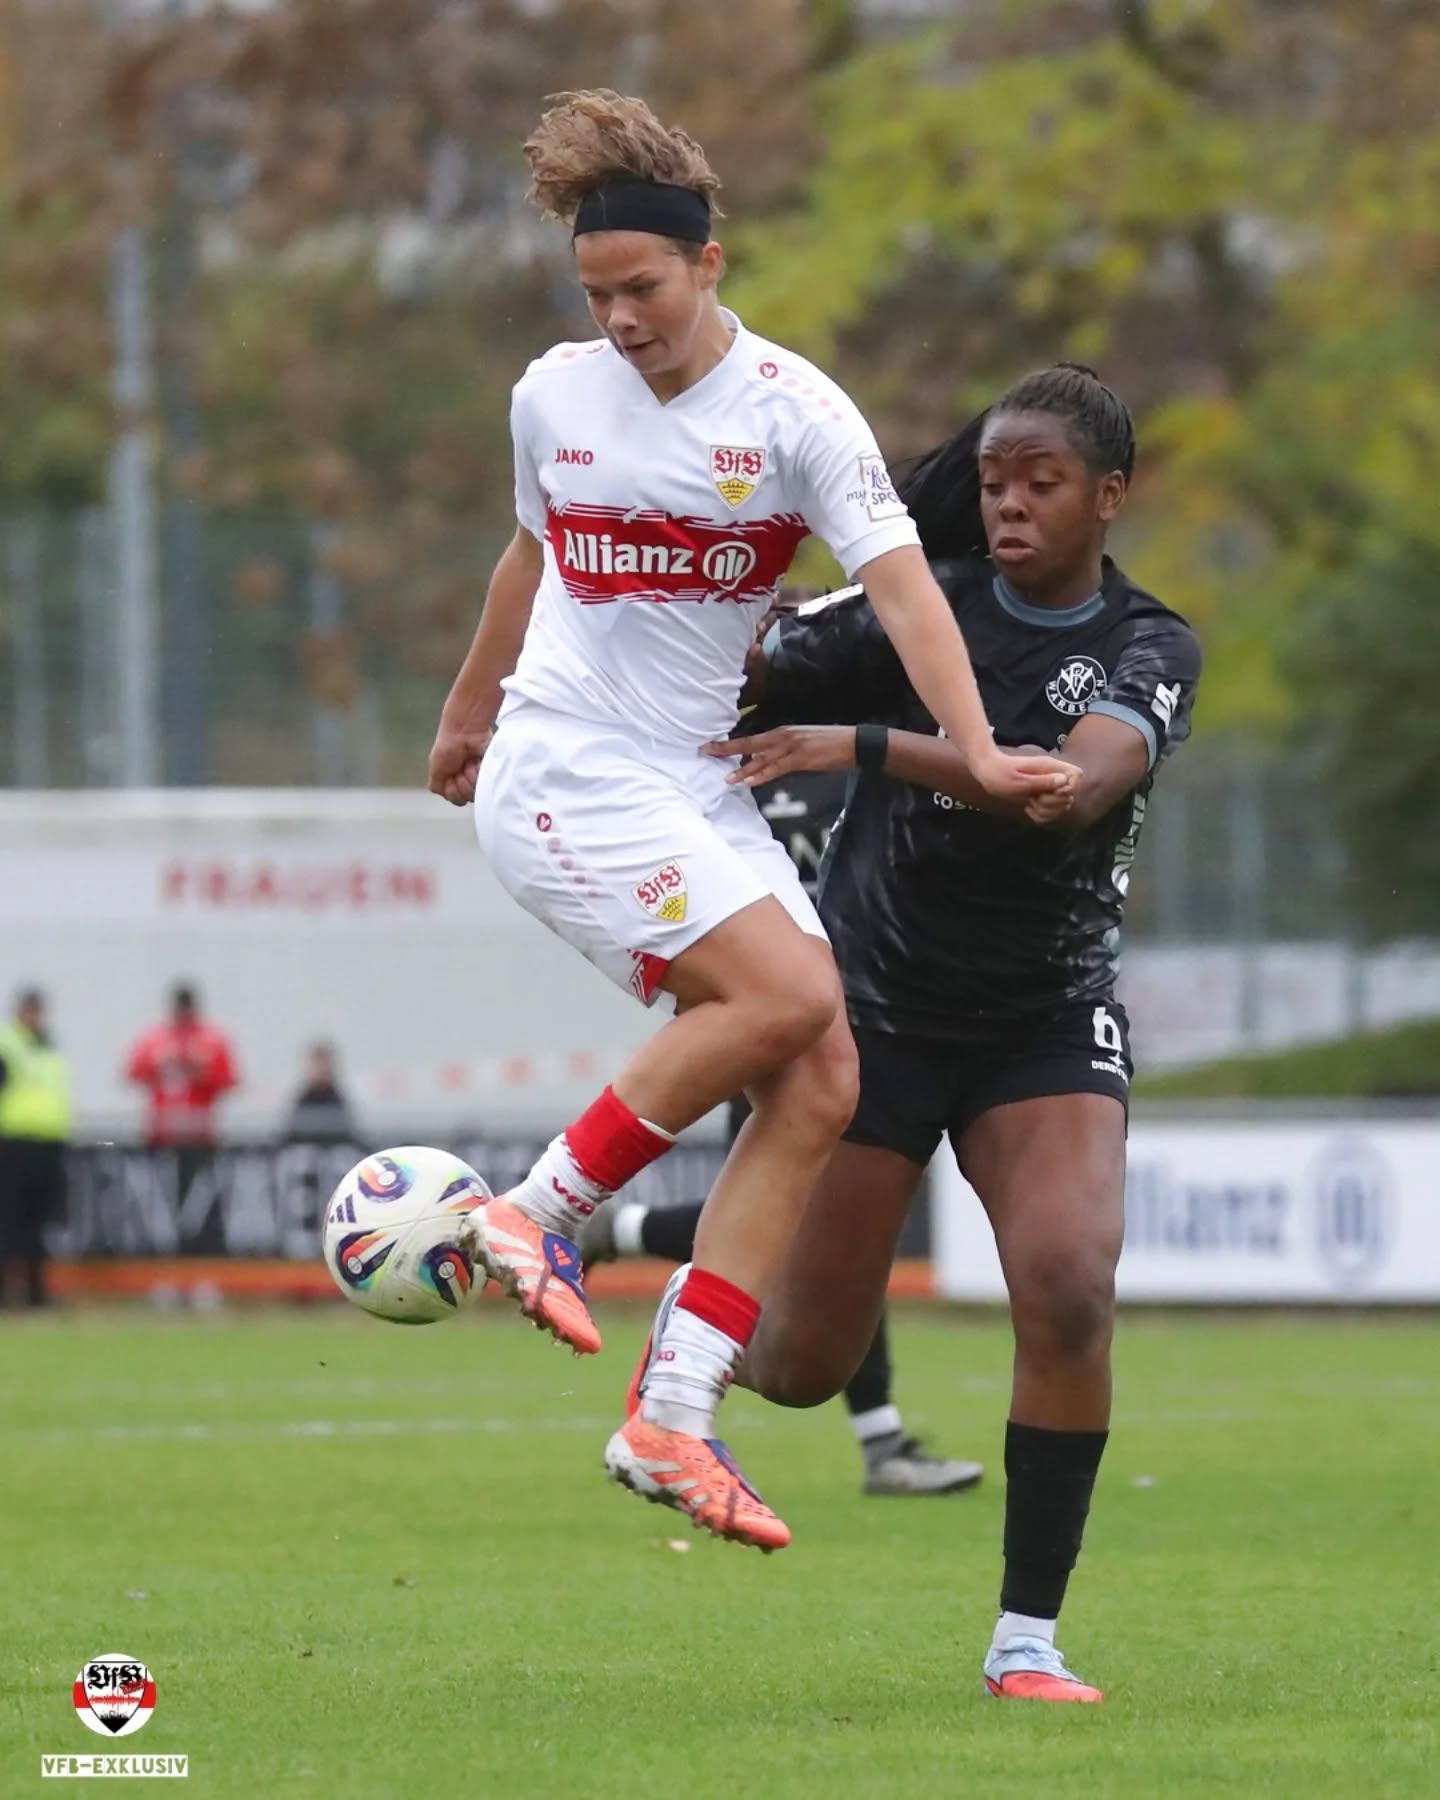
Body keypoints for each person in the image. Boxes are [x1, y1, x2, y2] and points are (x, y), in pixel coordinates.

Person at [427, 89, 1076, 1552]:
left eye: (643, 290)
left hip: (691, 781)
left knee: (825, 1071)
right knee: (790, 991)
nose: (622, 323)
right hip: (568, 764)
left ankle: (674, 1412)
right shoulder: (553, 395)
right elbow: (526, 560)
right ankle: (534, 1210)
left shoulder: (795, 416)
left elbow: (906, 595)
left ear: (711, 261)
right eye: (597, 297)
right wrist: (469, 713)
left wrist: (975, 751)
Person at [626, 363, 1203, 1696]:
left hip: (1043, 1019)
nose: (1009, 505)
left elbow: (1065, 788)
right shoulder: (907, 606)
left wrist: (862, 746)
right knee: (799, 1369)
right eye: (993, 481)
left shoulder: (1146, 647)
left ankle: (1026, 1643)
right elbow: (734, 668)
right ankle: (691, 1311)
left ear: (1108, 498)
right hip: (870, 1017)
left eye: (1042, 485)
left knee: (1067, 1287)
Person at [581, 761, 984, 1498]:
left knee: (829, 1235)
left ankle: (626, 1236)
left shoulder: (783, 777)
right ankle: (866, 1438)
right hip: (799, 1030)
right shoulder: (776, 783)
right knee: (814, 1229)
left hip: (838, 1026)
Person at [0, 988, 71, 1308]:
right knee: (9, 1220)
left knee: (38, 1222)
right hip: (13, 1144)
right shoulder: (8, 1046)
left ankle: (36, 1293)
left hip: (47, 1144)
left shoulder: (49, 1049)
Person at [124, 983, 240, 1149]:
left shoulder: (213, 1040)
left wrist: (199, 1072)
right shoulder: (154, 1039)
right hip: (161, 1128)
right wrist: (160, 1067)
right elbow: (133, 1074)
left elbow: (229, 1081)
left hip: (201, 1129)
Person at [285, 1041, 357, 1145]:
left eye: (324, 1065)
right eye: (317, 1066)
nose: (321, 1070)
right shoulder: (302, 1102)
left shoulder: (338, 1102)